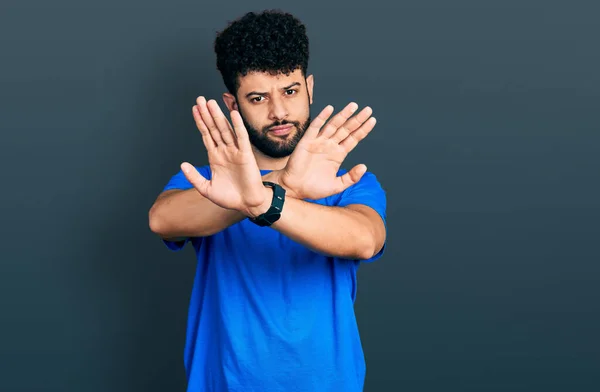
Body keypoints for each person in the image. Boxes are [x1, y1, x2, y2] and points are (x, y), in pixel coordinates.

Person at [148, 9, 387, 392]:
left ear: (309, 87)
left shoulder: (343, 183)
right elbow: (163, 219)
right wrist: (280, 185)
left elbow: (364, 239)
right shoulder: (209, 181)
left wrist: (265, 198)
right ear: (233, 104)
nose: (279, 112)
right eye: (258, 97)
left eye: (290, 92)